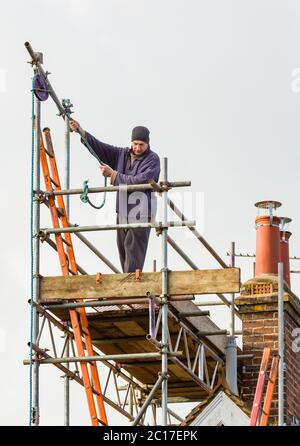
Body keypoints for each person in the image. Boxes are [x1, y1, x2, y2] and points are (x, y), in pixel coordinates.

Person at [69, 120, 160, 273]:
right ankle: (127, 280)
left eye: (141, 145)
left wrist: (113, 175)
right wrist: (82, 132)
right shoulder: (122, 154)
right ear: (131, 142)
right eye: (135, 144)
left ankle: (132, 283)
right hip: (123, 209)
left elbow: (140, 180)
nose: (137, 148)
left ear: (148, 144)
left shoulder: (152, 160)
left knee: (134, 249)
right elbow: (101, 148)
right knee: (123, 248)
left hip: (141, 211)